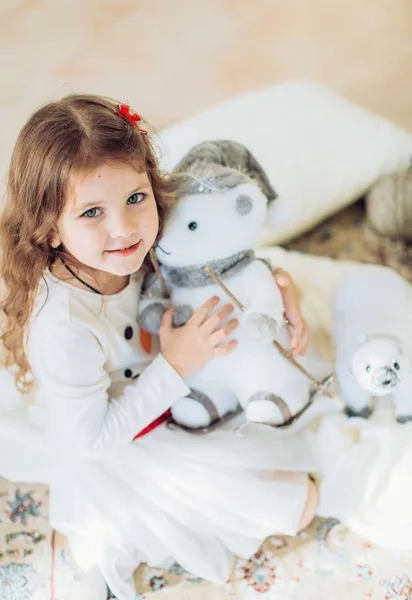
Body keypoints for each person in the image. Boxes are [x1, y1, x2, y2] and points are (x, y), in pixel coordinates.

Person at [0, 94, 316, 600]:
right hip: (125, 443)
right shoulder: (61, 327)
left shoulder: (150, 232)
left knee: (302, 412)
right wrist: (175, 364)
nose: (124, 229)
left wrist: (283, 290)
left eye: (135, 198)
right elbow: (95, 441)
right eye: (91, 213)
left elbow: (226, 254)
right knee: (294, 503)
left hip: (188, 381)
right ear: (49, 229)